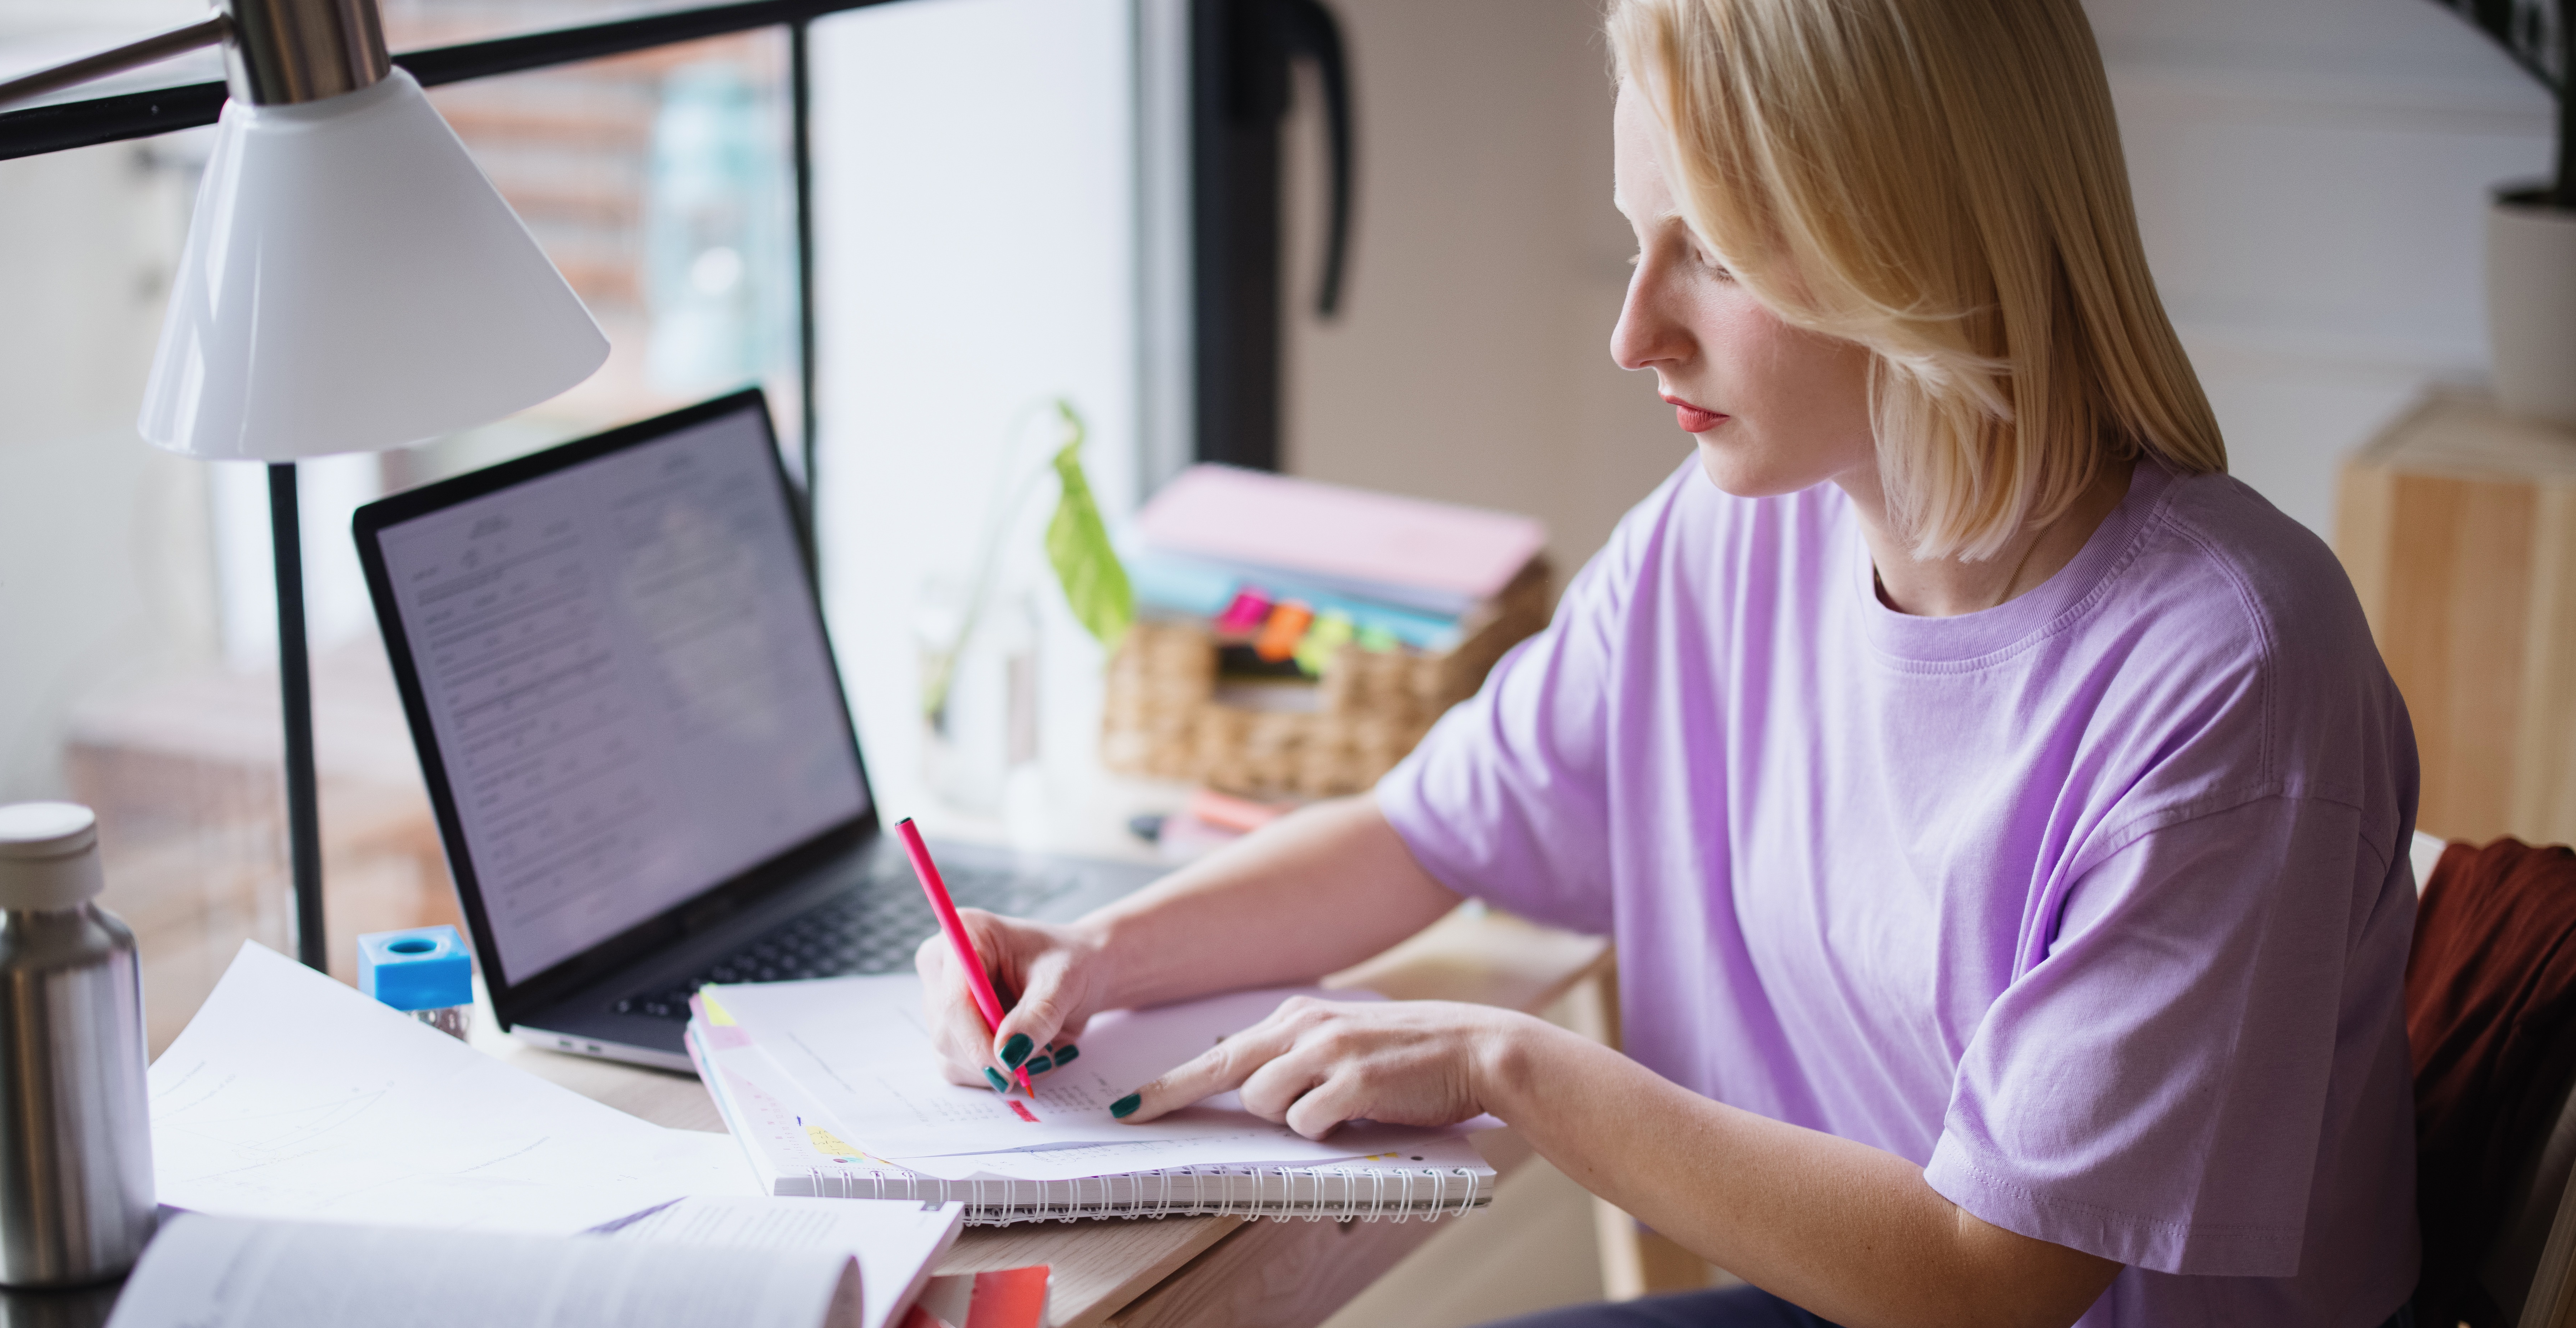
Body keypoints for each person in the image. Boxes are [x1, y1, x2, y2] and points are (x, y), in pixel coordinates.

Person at [914, 0, 2421, 1323]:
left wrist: (1511, 1067)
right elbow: (1417, 834)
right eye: (1640, 242)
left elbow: (1988, 1279)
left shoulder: (2226, 671)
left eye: (1706, 253)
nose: (1635, 331)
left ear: (1911, 244)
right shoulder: (1720, 544)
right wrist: (1101, 954)